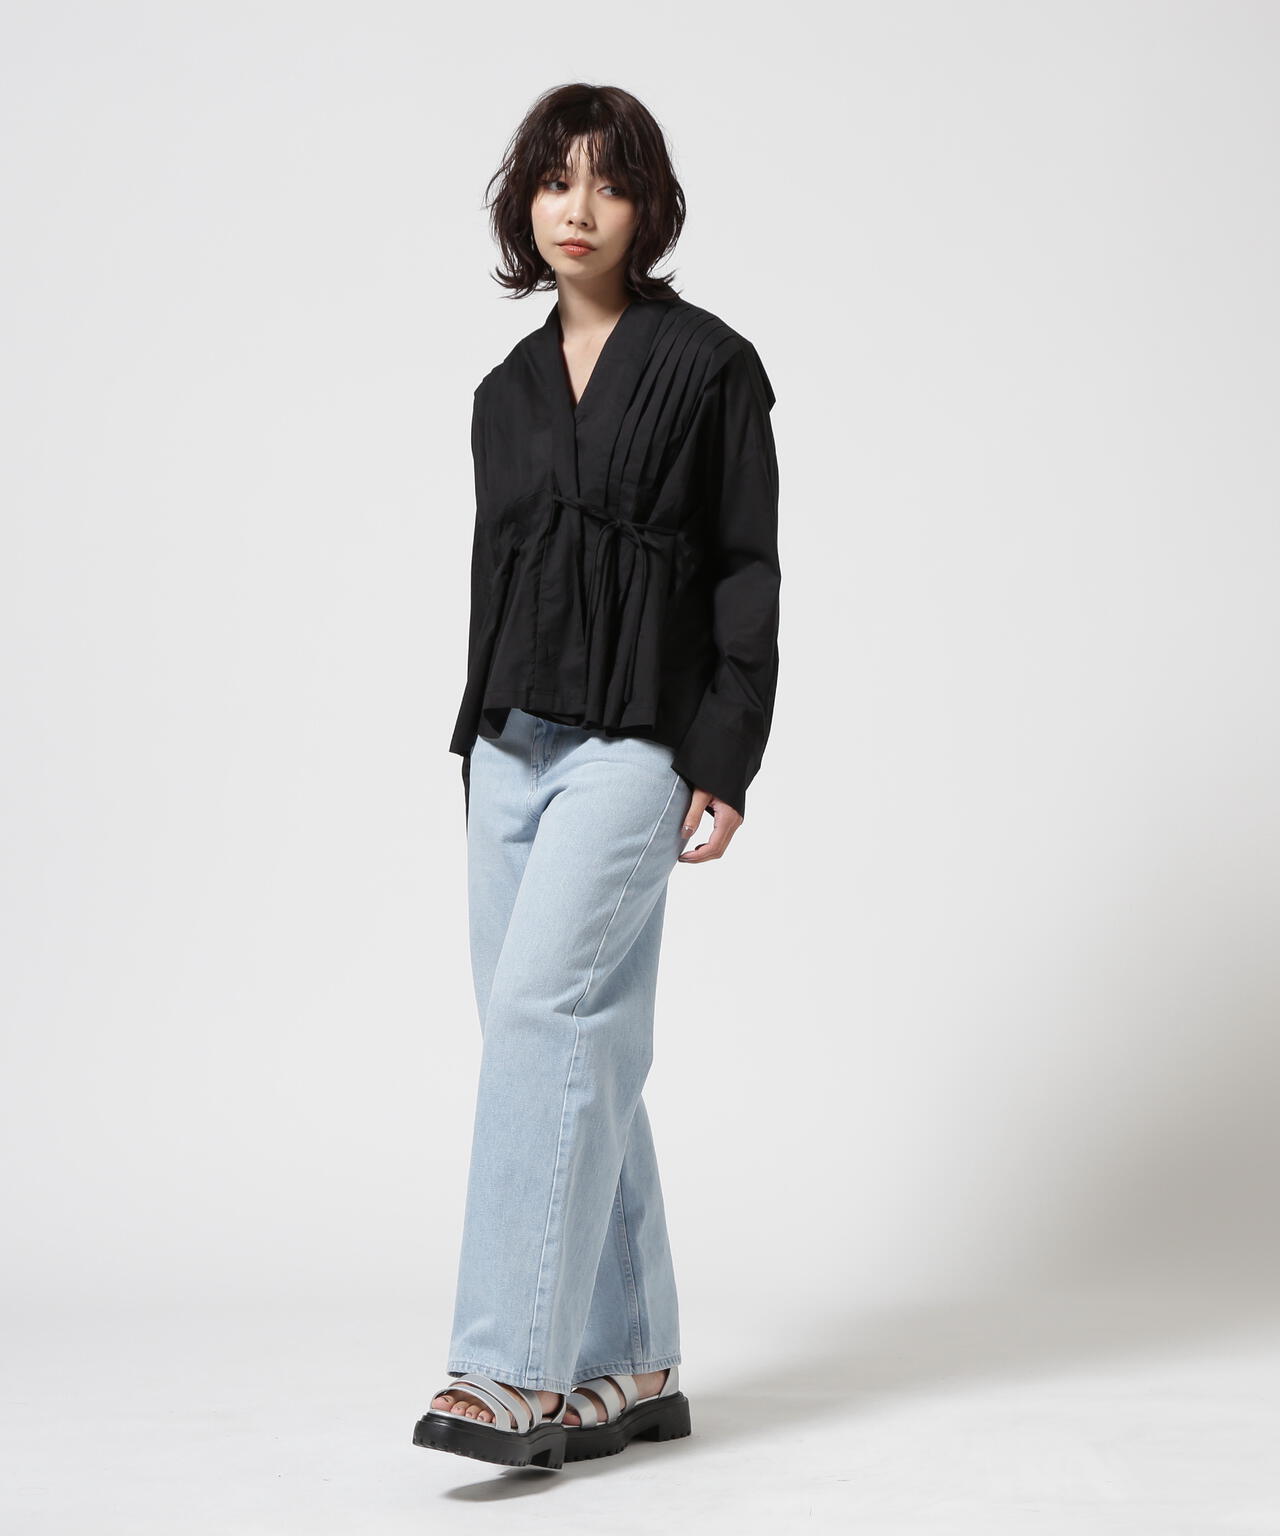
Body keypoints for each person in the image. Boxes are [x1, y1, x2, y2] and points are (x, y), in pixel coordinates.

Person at [412, 82, 781, 1471]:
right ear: (525, 202)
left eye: (608, 182)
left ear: (647, 207)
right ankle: (635, 1360)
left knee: (541, 1017)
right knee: (576, 1043)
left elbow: (746, 568)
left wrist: (726, 754)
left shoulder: (711, 365)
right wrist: (474, 754)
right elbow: (491, 585)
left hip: (638, 741)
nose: (578, 207)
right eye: (555, 180)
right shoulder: (501, 396)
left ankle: (508, 1371)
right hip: (509, 745)